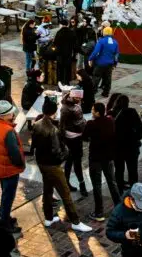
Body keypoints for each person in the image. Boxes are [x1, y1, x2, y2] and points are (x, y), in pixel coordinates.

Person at [29, 97, 94, 233]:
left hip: (41, 162)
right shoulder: (53, 129)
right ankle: (75, 221)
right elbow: (58, 151)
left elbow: (33, 144)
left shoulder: (37, 124)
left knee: (47, 190)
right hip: (52, 164)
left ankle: (48, 217)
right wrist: (66, 154)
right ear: (53, 112)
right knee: (65, 194)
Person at [0, 101, 25, 233]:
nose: (13, 114)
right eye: (11, 112)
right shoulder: (8, 130)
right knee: (8, 197)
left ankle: (5, 216)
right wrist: (21, 163)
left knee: (5, 193)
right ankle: (5, 222)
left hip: (0, 167)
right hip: (9, 169)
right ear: (5, 115)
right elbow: (14, 153)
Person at [84, 101, 121, 222]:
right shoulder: (110, 121)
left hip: (96, 158)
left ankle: (99, 212)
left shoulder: (91, 124)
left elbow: (84, 137)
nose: (92, 112)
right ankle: (118, 206)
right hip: (108, 157)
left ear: (97, 112)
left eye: (93, 110)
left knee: (97, 185)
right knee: (112, 181)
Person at [111, 93, 142, 191]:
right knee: (133, 169)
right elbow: (140, 130)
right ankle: (133, 188)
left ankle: (120, 187)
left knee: (119, 169)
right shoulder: (132, 112)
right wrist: (136, 138)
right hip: (132, 147)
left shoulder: (112, 113)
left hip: (117, 148)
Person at [60, 92, 88, 196]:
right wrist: (63, 142)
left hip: (78, 137)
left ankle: (78, 183)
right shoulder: (65, 108)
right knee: (72, 161)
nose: (80, 100)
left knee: (75, 161)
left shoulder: (75, 104)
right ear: (73, 97)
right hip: (71, 138)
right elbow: (61, 125)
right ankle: (77, 184)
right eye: (78, 98)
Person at [89, 26, 120, 97]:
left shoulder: (101, 41)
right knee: (108, 78)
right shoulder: (115, 42)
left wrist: (90, 58)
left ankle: (93, 91)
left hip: (100, 63)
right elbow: (117, 54)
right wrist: (115, 63)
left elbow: (96, 52)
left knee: (96, 77)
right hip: (110, 64)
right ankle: (106, 92)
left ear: (104, 32)